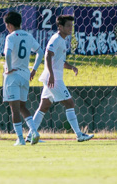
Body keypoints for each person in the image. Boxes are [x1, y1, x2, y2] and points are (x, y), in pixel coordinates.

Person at [27, 14, 93, 143]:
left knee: (44, 107)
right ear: (60, 26)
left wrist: (71, 67)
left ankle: (30, 135)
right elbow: (47, 55)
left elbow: (60, 61)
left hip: (52, 77)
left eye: (71, 26)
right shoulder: (56, 39)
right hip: (54, 79)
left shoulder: (62, 40)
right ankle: (79, 135)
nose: (70, 28)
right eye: (68, 26)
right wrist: (51, 74)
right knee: (69, 103)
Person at [2, 10, 43, 146]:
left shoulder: (11, 37)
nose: (7, 28)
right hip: (25, 75)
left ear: (10, 25)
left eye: (7, 25)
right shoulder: (28, 36)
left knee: (14, 108)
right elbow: (40, 52)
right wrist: (34, 69)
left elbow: (7, 54)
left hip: (13, 75)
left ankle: (20, 139)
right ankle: (33, 131)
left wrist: (8, 67)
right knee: (22, 106)